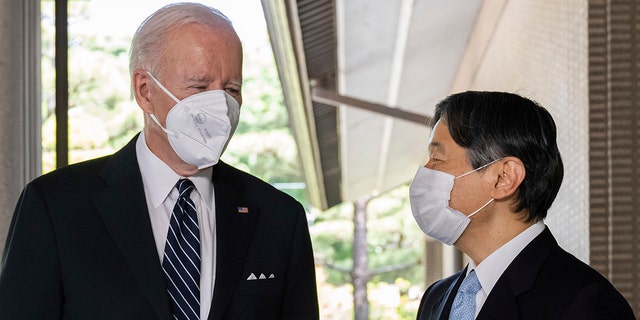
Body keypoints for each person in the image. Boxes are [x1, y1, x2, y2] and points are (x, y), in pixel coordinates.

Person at [0, 3, 319, 319]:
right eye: (199, 86)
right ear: (144, 90)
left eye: (231, 88)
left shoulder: (279, 218)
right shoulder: (55, 207)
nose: (220, 104)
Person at [410, 91, 635, 319]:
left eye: (437, 159)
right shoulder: (435, 297)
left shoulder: (585, 303)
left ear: (504, 178)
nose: (425, 171)